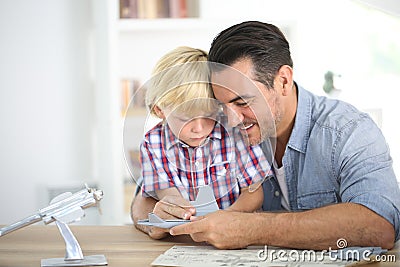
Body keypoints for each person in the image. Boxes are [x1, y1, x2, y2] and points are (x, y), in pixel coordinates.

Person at [132, 21, 400, 249]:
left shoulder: (348, 132)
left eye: (242, 102)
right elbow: (143, 199)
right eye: (221, 106)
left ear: (282, 81)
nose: (231, 119)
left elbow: (380, 225)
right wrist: (155, 218)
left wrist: (251, 228)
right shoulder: (215, 128)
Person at [133, 46, 272, 237]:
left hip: (236, 235)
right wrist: (181, 217)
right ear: (160, 110)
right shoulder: (153, 144)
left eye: (209, 115)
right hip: (185, 239)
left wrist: (226, 219)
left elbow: (254, 191)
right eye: (185, 118)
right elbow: (169, 197)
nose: (199, 128)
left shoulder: (235, 133)